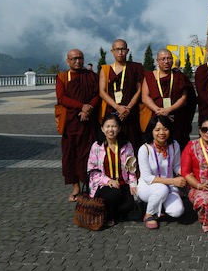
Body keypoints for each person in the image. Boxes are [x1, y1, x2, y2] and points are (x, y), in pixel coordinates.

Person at [56, 49, 100, 202]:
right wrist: (81, 106)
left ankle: (89, 185)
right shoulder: (62, 77)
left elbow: (97, 94)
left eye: (80, 58)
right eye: (74, 58)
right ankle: (76, 187)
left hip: (89, 122)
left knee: (89, 154)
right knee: (71, 155)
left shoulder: (91, 76)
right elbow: (61, 98)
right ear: (68, 61)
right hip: (71, 123)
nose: (77, 61)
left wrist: (88, 109)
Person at [87, 114, 138, 227]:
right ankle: (109, 215)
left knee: (129, 204)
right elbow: (92, 170)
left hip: (122, 183)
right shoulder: (97, 146)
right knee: (114, 194)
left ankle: (115, 211)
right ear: (102, 128)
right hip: (103, 184)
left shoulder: (126, 145)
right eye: (107, 126)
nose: (110, 130)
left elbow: (131, 168)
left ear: (119, 128)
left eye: (114, 126)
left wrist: (133, 185)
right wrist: (108, 181)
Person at [137, 115, 186, 229]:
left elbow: (177, 166)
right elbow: (147, 177)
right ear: (151, 131)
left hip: (169, 186)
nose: (162, 133)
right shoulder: (144, 149)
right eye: (157, 130)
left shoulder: (174, 145)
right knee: (161, 189)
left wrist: (187, 175)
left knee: (177, 211)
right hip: (148, 187)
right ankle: (149, 214)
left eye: (165, 129)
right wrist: (173, 181)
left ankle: (160, 205)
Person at [141, 49, 194, 148]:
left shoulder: (179, 76)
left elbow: (183, 98)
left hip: (176, 118)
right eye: (163, 59)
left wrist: (168, 110)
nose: (166, 61)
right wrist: (159, 111)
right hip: (156, 116)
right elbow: (145, 97)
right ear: (157, 61)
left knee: (178, 146)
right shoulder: (150, 76)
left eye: (169, 58)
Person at [99, 39, 145, 151]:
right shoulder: (106, 69)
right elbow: (102, 92)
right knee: (112, 144)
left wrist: (128, 108)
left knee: (133, 143)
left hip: (131, 112)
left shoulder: (135, 68)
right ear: (112, 51)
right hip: (112, 111)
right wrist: (117, 107)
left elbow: (139, 89)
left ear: (127, 51)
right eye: (117, 49)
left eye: (123, 49)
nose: (120, 52)